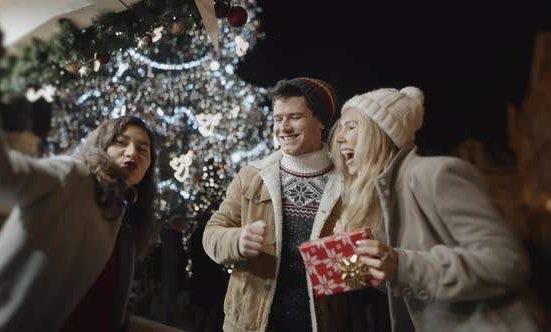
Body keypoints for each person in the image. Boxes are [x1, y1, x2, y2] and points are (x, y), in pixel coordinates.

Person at [0, 15, 181, 332]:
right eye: (121, 143)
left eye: (143, 149)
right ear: (101, 147)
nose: (133, 152)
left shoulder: (128, 216)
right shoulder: (72, 176)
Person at [331, 86, 538, 331]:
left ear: (381, 133)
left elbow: (507, 264)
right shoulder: (380, 199)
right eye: (340, 128)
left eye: (351, 127)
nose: (339, 137)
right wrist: (356, 260)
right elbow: (405, 282)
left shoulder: (438, 174)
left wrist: (401, 263)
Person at [203, 77, 353, 332]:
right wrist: (237, 241)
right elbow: (211, 235)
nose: (283, 127)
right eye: (278, 118)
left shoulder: (348, 183)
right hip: (250, 325)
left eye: (294, 117)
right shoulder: (251, 176)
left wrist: (341, 257)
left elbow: (361, 269)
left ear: (321, 121)